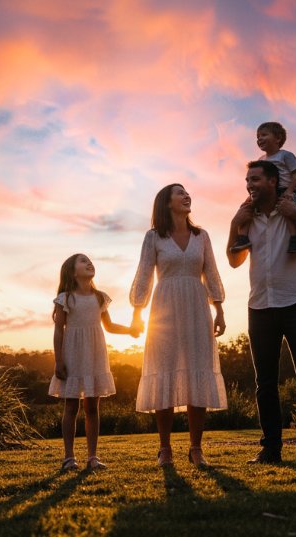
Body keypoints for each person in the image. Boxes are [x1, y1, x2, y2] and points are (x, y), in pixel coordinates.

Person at [227, 160, 296, 467]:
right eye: (247, 179)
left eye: (256, 179)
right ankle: (270, 449)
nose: (250, 184)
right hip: (259, 307)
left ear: (273, 181)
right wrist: (235, 224)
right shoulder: (246, 217)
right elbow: (233, 260)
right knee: (265, 383)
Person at [131, 183, 228, 467]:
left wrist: (219, 309)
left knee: (198, 371)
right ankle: (165, 449)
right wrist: (137, 312)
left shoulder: (202, 236)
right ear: (166, 202)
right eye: (179, 192)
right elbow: (144, 274)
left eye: (187, 192)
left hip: (197, 308)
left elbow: (211, 272)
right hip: (164, 308)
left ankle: (196, 448)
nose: (187, 195)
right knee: (165, 372)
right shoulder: (154, 237)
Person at [49, 253, 138, 471]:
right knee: (71, 406)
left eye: (89, 260)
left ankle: (92, 457)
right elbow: (58, 331)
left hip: (95, 354)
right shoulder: (65, 298)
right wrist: (58, 360)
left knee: (92, 406)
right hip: (72, 354)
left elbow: (109, 326)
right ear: (72, 271)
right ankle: (69, 457)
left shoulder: (99, 297)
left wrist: (130, 331)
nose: (89, 263)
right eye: (83, 261)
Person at [230, 122, 296, 254]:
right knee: (246, 206)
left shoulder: (286, 155)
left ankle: (295, 238)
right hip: (268, 191)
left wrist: (289, 190)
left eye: (264, 135)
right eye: (258, 137)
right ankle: (243, 237)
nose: (259, 139)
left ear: (278, 138)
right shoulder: (261, 160)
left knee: (285, 207)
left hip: (285, 189)